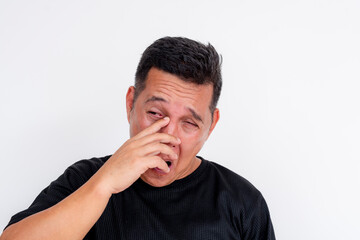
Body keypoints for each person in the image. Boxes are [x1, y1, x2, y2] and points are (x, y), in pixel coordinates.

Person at [0, 37, 275, 240]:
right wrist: (104, 184)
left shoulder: (242, 203)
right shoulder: (86, 179)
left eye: (189, 123)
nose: (168, 136)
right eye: (156, 113)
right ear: (131, 103)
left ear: (211, 126)